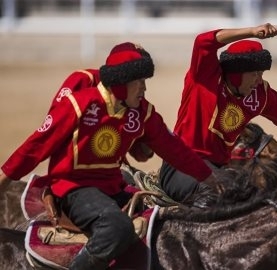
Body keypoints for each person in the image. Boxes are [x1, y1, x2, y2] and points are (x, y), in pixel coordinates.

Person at [0, 42, 217, 269]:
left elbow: (174, 149)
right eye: (140, 82)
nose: (144, 88)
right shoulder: (79, 104)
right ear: (121, 84)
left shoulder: (142, 113)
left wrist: (208, 177)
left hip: (113, 187)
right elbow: (36, 145)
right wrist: (4, 180)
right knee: (117, 227)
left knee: (162, 219)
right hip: (73, 189)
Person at [159, 23, 277, 204]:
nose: (258, 80)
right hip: (181, 165)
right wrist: (252, 31)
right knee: (221, 193)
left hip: (219, 169)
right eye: (254, 74)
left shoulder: (260, 96)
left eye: (261, 73)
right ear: (236, 72)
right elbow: (203, 41)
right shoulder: (205, 77)